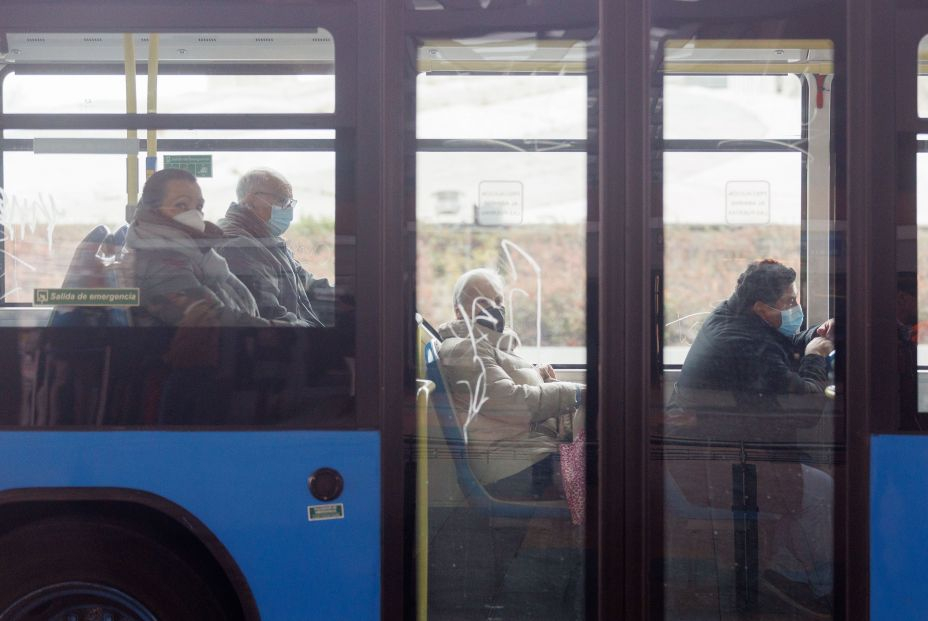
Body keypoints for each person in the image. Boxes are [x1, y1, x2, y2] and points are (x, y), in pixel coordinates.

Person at [668, 259, 835, 618]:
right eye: (789, 302)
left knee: (813, 479)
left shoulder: (732, 318)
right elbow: (805, 411)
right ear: (761, 308)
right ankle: (802, 581)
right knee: (826, 495)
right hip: (717, 465)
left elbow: (779, 345)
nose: (796, 308)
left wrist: (814, 336)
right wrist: (816, 359)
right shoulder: (744, 344)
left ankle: (787, 571)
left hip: (727, 451)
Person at [436, 268, 584, 499]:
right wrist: (573, 392)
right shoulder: (465, 350)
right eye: (484, 302)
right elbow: (512, 404)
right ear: (459, 312)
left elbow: (501, 384)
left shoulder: (492, 346)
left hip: (528, 451)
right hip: (511, 464)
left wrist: (538, 375)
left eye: (498, 300)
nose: (495, 308)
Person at [125, 168, 271, 328]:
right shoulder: (158, 261)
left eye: (198, 206)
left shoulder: (195, 251)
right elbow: (210, 318)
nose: (194, 214)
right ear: (152, 211)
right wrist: (280, 328)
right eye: (181, 205)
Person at [215, 168, 333, 327]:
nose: (289, 210)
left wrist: (346, 295)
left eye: (291, 203)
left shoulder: (267, 241)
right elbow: (272, 317)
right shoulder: (238, 247)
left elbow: (306, 283)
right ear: (251, 200)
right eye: (283, 201)